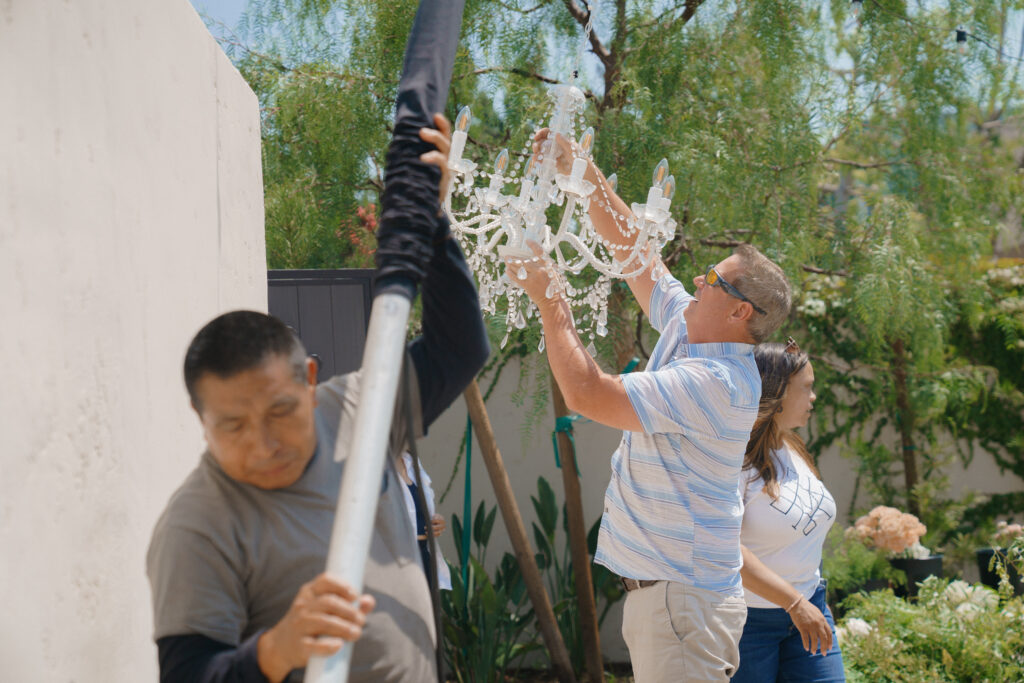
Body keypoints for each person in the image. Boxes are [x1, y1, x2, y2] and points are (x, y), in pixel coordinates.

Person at [146, 112, 489, 682]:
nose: (264, 443)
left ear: (309, 380)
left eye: (281, 410)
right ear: (198, 417)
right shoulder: (197, 527)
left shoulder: (357, 408)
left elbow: (460, 349)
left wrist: (431, 220)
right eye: (232, 425)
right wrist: (273, 652)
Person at [508, 130, 792, 682]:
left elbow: (589, 396)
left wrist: (552, 300)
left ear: (740, 313)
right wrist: (584, 172)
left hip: (682, 602)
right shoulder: (694, 328)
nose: (696, 280)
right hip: (675, 599)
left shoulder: (718, 381)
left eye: (713, 280)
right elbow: (637, 256)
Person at [731, 340, 845, 682]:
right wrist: (794, 604)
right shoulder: (735, 462)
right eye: (807, 388)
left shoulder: (792, 447)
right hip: (749, 624)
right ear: (777, 394)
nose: (814, 397)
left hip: (811, 607)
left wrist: (805, 602)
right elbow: (724, 547)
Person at [397, 450, 453, 591]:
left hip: (423, 556)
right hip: (395, 561)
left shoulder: (410, 460)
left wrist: (436, 521)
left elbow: (419, 510)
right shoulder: (374, 462)